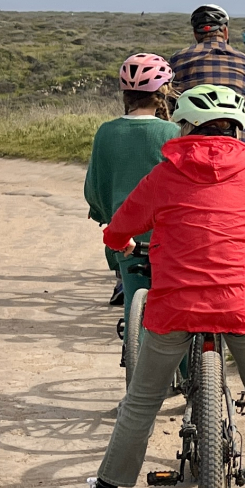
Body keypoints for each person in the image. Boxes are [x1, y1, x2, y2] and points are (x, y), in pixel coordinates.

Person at [61, 83, 245, 488]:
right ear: (240, 129)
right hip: (241, 306)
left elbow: (116, 230)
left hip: (175, 306)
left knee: (143, 400)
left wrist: (128, 244)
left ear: (184, 126)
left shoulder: (163, 175)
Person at [85, 53, 177, 313]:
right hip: (166, 236)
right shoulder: (172, 133)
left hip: (125, 235)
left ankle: (132, 349)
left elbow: (94, 188)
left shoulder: (106, 132)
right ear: (163, 93)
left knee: (132, 304)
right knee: (171, 313)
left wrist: (104, 214)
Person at [168, 3, 245, 159]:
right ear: (226, 32)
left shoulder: (177, 61)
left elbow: (167, 111)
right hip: (241, 154)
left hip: (189, 155)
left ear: (196, 34)